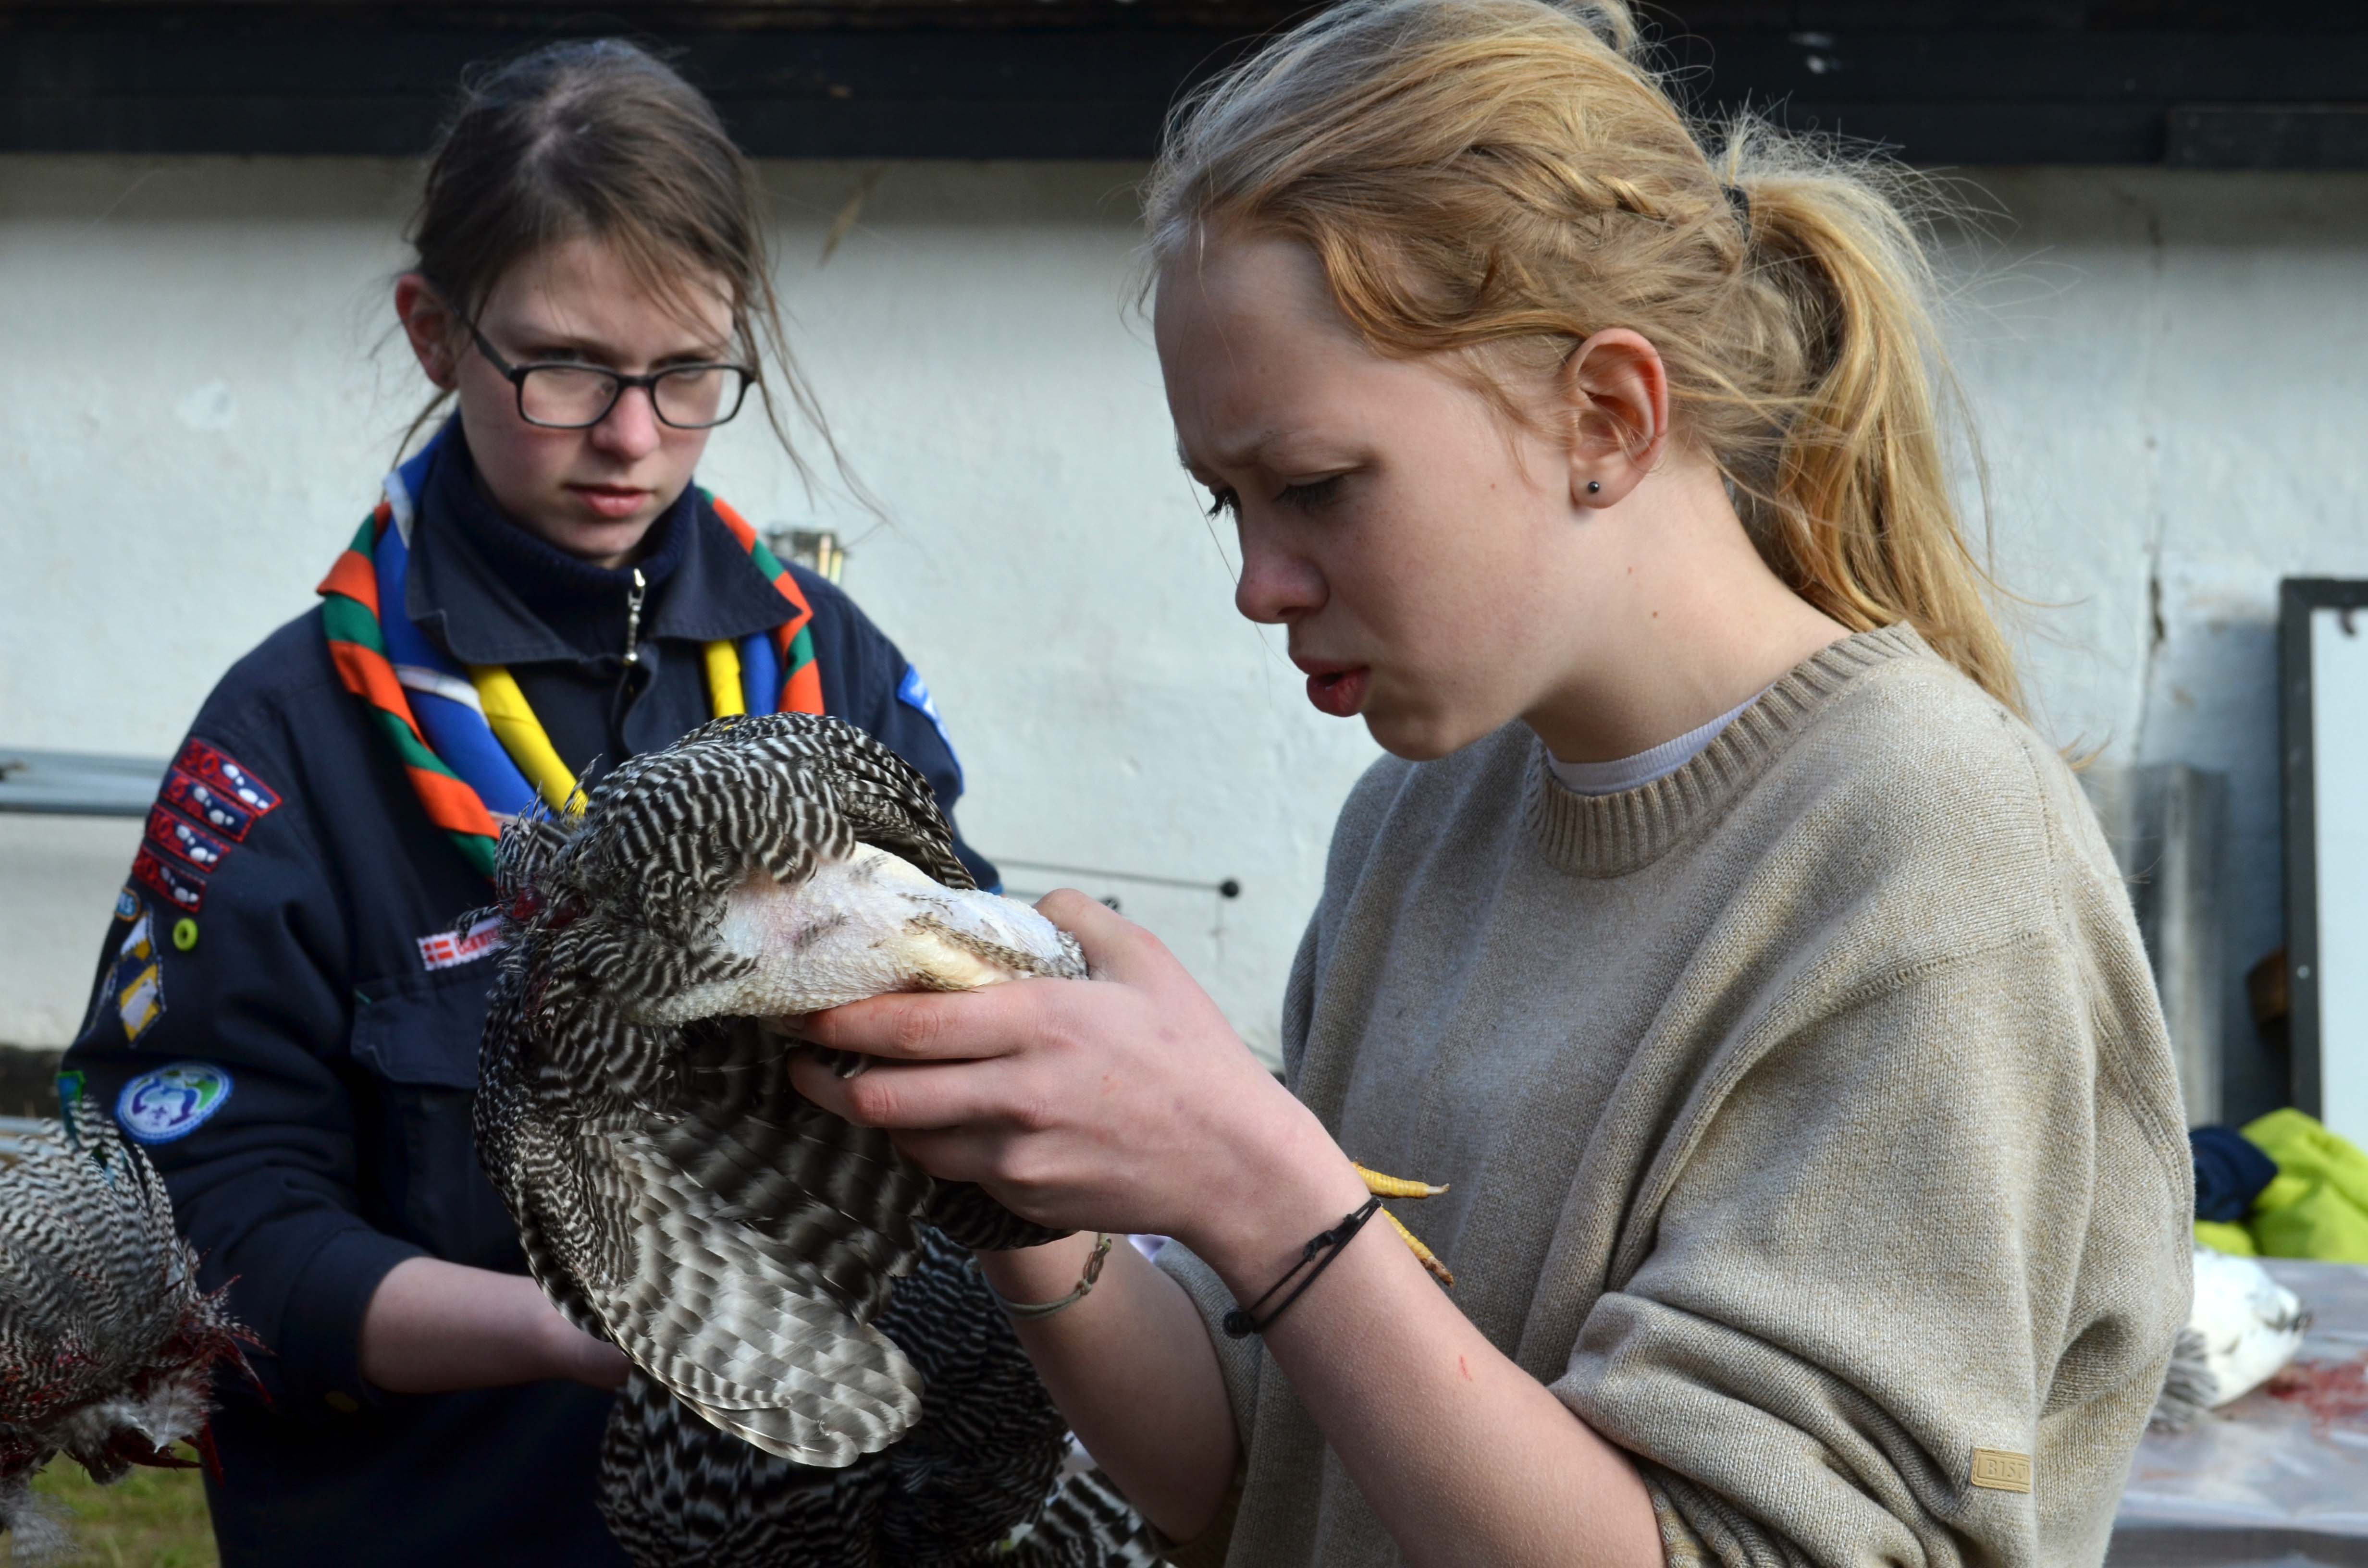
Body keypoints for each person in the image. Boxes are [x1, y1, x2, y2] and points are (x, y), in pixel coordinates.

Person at [787, 2, 2193, 1563]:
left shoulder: (1931, 851)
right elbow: (1264, 1479)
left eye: (1316, 486)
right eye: (1229, 504)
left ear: (1606, 418)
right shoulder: (1420, 820)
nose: (1258, 584)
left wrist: (1256, 1183)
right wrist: (1011, 1189)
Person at [59, 40, 990, 1567]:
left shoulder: (831, 678)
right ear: (435, 333)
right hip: (444, 1525)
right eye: (564, 368)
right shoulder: (292, 742)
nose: (632, 437)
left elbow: (963, 1051)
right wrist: (596, 1330)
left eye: (689, 372)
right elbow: (195, 1220)